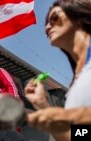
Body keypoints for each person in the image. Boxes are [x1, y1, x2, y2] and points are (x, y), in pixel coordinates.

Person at [24, 0, 91, 140]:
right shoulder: (75, 85)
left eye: (54, 18)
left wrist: (71, 115)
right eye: (46, 23)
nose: (47, 27)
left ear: (78, 13)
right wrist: (43, 106)